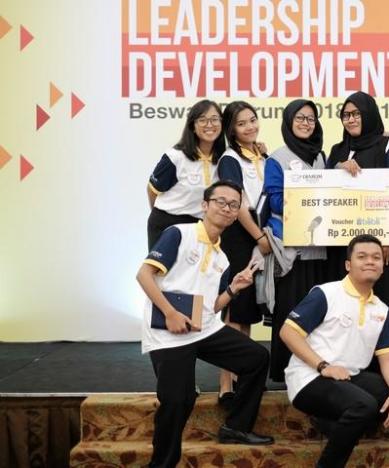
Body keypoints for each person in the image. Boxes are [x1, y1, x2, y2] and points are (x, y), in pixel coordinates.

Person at [137, 181, 274, 468]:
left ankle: (236, 427)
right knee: (178, 400)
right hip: (168, 333)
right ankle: (162, 464)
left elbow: (211, 307)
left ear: (237, 214)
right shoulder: (179, 233)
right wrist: (170, 312)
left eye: (233, 205)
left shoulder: (222, 258)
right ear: (204, 205)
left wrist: (234, 289)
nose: (227, 208)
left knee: (257, 357)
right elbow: (144, 275)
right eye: (220, 201)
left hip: (204, 328)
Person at [280, 235, 389, 468]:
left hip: (349, 378)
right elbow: (288, 332)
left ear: (383, 266)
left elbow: (388, 358)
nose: (370, 261)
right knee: (363, 406)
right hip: (310, 378)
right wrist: (323, 366)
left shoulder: (382, 309)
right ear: (348, 265)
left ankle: (333, 422)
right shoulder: (326, 293)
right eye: (362, 257)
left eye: (376, 257)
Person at [326, 90, 389, 372]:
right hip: (341, 245)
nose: (350, 120)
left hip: (379, 247)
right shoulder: (337, 150)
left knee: (380, 305)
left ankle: (385, 372)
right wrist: (337, 168)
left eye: (356, 114)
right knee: (344, 307)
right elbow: (324, 190)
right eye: (346, 115)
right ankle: (345, 366)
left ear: (369, 114)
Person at [263, 99, 328, 382]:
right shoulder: (276, 158)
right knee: (290, 313)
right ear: (289, 121)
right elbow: (274, 200)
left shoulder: (321, 156)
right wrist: (309, 198)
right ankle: (284, 371)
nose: (305, 123)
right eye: (300, 118)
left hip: (319, 248)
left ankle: (312, 369)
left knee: (316, 315)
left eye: (311, 119)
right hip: (292, 251)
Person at [217, 101, 272, 405]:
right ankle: (226, 385)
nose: (250, 126)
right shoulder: (229, 159)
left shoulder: (261, 154)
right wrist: (259, 237)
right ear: (231, 129)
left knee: (246, 311)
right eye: (241, 123)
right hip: (240, 236)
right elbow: (235, 204)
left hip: (257, 233)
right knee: (233, 311)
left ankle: (242, 376)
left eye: (252, 119)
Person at [146, 99, 238, 249]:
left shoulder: (224, 158)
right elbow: (152, 190)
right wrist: (160, 214)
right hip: (168, 223)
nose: (209, 125)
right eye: (202, 120)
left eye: (215, 119)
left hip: (201, 227)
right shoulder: (176, 157)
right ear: (193, 126)